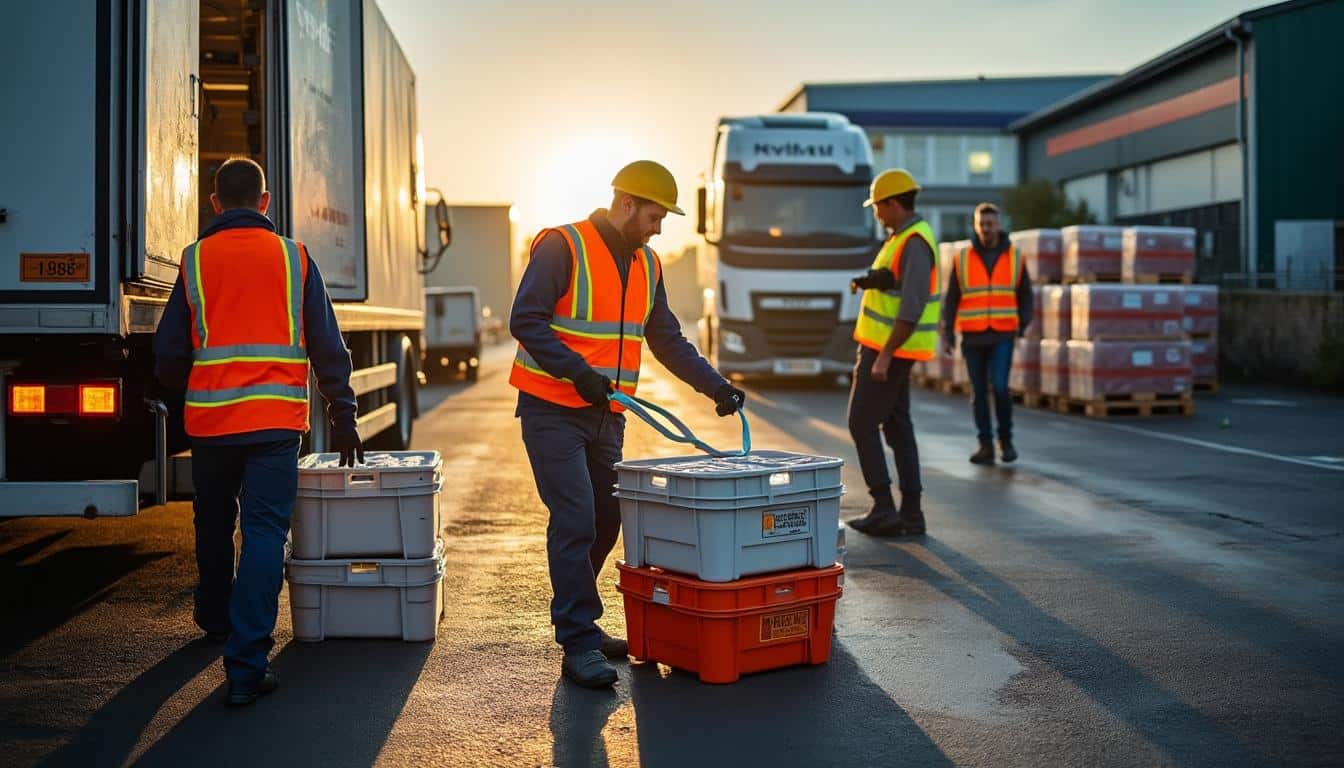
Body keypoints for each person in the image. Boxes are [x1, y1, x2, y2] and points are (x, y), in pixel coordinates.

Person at [509, 160, 745, 688]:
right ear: (628, 203)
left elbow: (667, 340)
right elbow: (524, 320)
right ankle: (578, 639)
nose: (660, 228)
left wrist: (717, 387)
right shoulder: (562, 246)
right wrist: (578, 373)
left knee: (610, 517)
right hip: (551, 410)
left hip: (607, 415)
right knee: (574, 516)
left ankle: (578, 619)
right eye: (657, 216)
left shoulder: (649, 265)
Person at [153, 157, 363, 706]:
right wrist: (344, 413)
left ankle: (214, 615)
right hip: (274, 424)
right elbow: (326, 344)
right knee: (266, 532)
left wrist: (182, 389)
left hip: (212, 423)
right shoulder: (295, 258)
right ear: (265, 202)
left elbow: (171, 350)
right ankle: (246, 665)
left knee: (215, 521)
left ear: (215, 204)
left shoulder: (194, 260)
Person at [846, 169, 940, 537]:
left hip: (887, 352)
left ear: (894, 204)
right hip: (891, 350)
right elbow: (895, 281)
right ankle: (911, 515)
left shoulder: (914, 241)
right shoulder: (901, 238)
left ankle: (885, 508)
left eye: (878, 207)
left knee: (861, 422)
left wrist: (885, 355)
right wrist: (871, 280)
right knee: (898, 426)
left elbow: (911, 306)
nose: (876, 214)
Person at [941, 203, 1033, 465]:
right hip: (972, 336)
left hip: (1003, 333)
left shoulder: (1015, 256)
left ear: (999, 225)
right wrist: (947, 333)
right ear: (975, 225)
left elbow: (1026, 294)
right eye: (982, 224)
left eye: (990, 224)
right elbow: (952, 299)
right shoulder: (962, 258)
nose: (986, 228)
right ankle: (985, 445)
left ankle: (1006, 440)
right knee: (978, 392)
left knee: (1001, 388)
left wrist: (1025, 322)